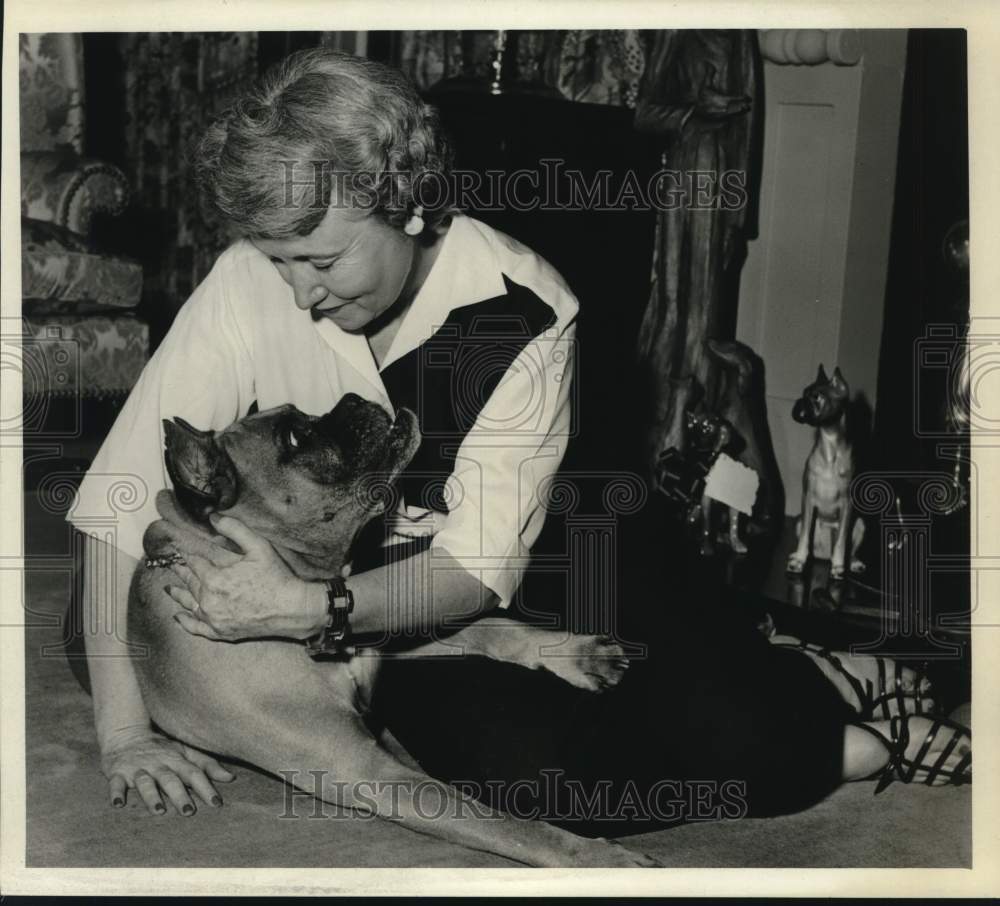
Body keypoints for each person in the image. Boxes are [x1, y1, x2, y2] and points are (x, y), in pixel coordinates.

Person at [69, 47, 969, 825]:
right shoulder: (244, 283)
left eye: (323, 261)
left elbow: (469, 572)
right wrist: (123, 737)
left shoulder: (528, 305)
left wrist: (306, 611)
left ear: (410, 204)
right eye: (280, 262)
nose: (298, 293)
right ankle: (819, 724)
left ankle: (814, 675)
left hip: (527, 550)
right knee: (546, 782)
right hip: (385, 613)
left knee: (734, 719)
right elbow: (121, 506)